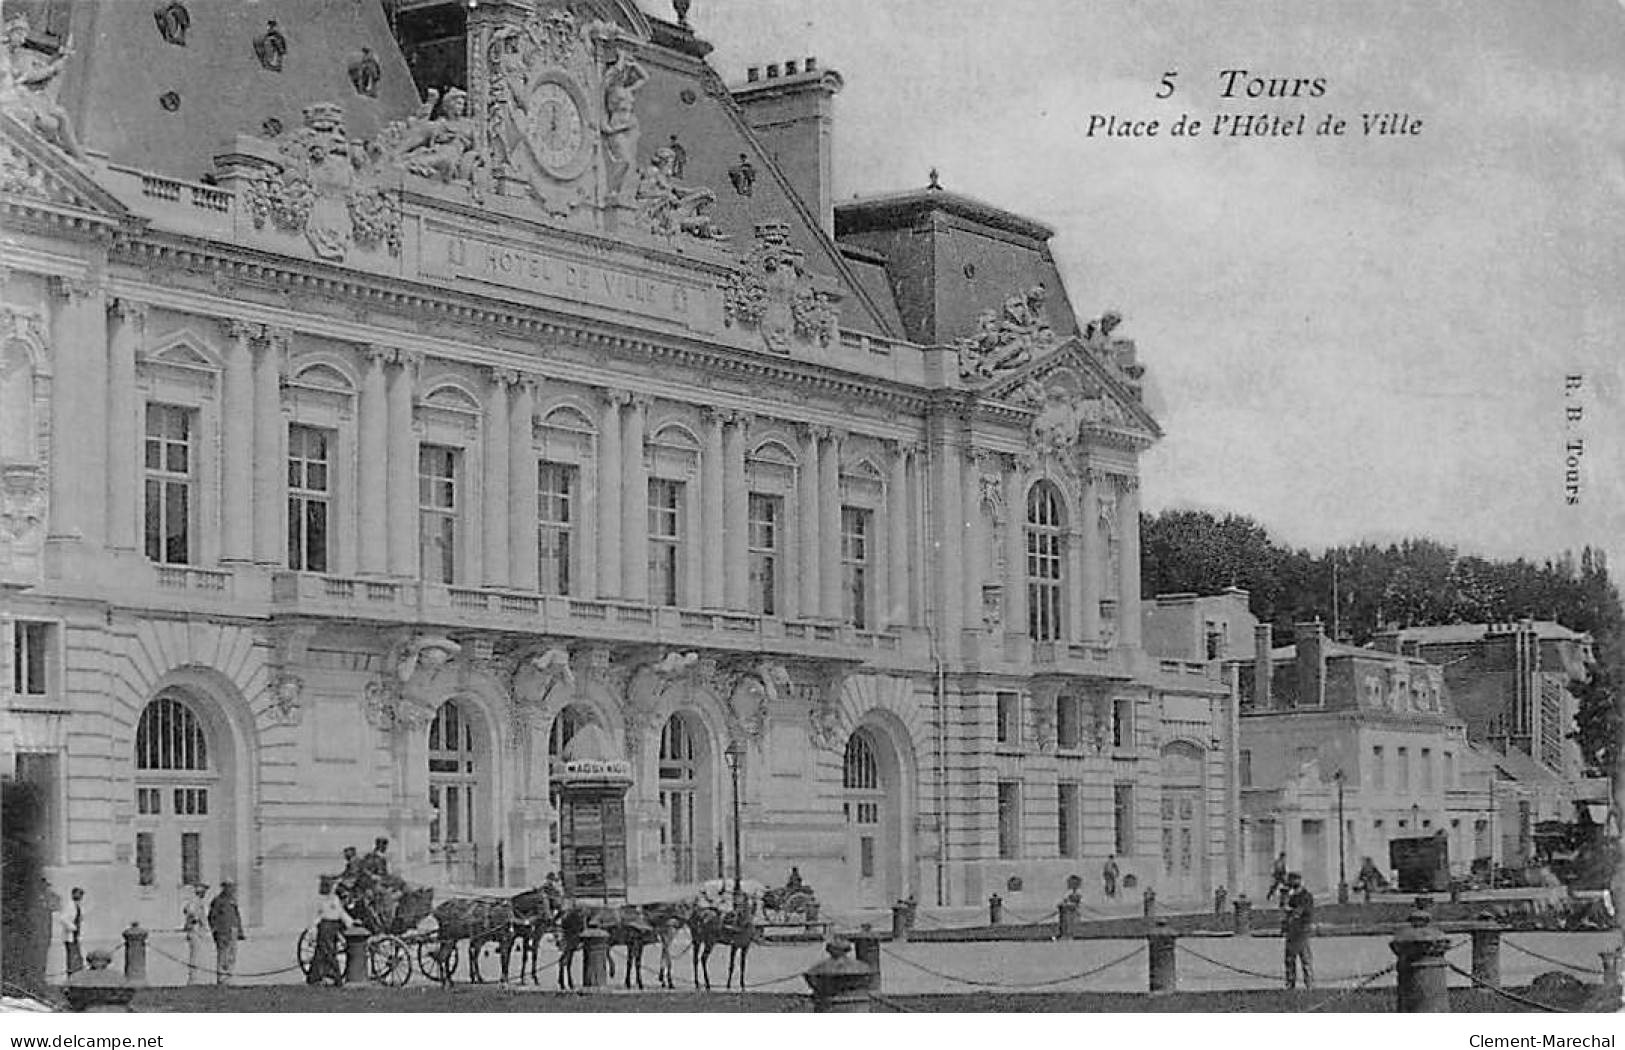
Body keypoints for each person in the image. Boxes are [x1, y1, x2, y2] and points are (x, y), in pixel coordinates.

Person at [307, 876, 354, 986]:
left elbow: (341, 913)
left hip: (334, 926)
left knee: (324, 952)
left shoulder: (335, 899)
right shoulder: (321, 900)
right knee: (327, 952)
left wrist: (351, 923)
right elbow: (316, 917)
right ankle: (335, 977)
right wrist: (312, 932)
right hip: (325, 926)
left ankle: (315, 977)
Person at [1281, 872, 1315, 990]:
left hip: (1302, 930)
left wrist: (1290, 911)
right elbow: (1285, 912)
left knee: (1305, 958)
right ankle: (1290, 984)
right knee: (1289, 959)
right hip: (1291, 931)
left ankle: (1309, 984)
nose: (1289, 883)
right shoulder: (1290, 895)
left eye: (1291, 881)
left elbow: (1299, 912)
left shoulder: (1305, 896)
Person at [208, 880, 244, 986]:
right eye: (228, 887)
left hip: (233, 931)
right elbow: (212, 917)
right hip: (222, 932)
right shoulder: (218, 901)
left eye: (232, 887)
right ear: (224, 888)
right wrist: (215, 930)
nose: (231, 890)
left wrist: (240, 931)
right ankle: (222, 978)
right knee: (223, 955)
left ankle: (229, 976)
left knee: (232, 955)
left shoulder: (232, 901)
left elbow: (237, 917)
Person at [181, 884, 210, 985]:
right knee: (195, 954)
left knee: (198, 954)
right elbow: (190, 912)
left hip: (199, 930)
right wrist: (196, 919)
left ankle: (197, 976)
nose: (204, 894)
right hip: (195, 929)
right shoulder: (195, 901)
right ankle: (193, 978)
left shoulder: (199, 902)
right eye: (202, 892)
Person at [59, 887, 84, 976]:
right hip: (70, 935)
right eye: (77, 894)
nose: (79, 896)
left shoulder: (78, 907)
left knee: (77, 956)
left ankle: (76, 973)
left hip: (76, 936)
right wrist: (72, 927)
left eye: (80, 895)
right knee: (71, 957)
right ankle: (71, 975)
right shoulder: (69, 906)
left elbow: (80, 920)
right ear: (73, 895)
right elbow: (63, 918)